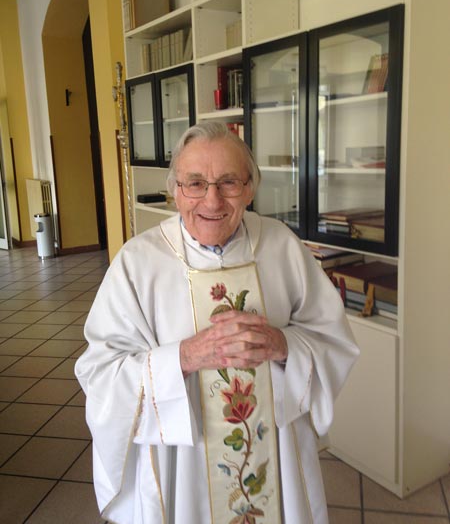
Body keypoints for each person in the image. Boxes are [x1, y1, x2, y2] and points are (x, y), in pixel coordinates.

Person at [75, 121, 359, 524]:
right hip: (183, 463)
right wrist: (184, 357)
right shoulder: (137, 263)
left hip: (274, 451)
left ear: (250, 189)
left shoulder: (281, 245)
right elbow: (101, 374)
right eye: (195, 183)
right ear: (175, 191)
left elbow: (331, 338)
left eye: (229, 182)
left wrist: (283, 345)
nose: (212, 200)